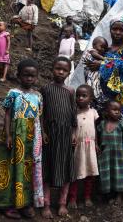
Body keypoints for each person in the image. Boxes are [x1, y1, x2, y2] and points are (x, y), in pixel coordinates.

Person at [0, 59, 44, 219]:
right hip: (14, 135)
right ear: (18, 76)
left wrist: (42, 136)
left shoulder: (38, 96)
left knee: (28, 169)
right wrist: (7, 135)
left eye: (32, 76)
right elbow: (7, 114)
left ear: (36, 77)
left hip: (32, 137)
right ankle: (6, 204)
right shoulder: (13, 93)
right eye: (25, 75)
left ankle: (23, 203)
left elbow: (39, 118)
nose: (29, 79)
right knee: (11, 168)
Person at [85, 17, 123, 168]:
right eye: (115, 29)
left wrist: (102, 63)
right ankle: (104, 166)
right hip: (105, 95)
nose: (118, 32)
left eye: (121, 29)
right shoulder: (105, 48)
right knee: (106, 127)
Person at [41, 57, 77, 219]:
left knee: (66, 167)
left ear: (69, 72)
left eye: (64, 70)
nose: (61, 72)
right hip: (50, 134)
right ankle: (46, 204)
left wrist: (74, 134)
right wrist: (42, 132)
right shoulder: (45, 89)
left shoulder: (70, 91)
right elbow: (41, 114)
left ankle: (62, 203)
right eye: (58, 68)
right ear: (52, 69)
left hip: (65, 135)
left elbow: (73, 114)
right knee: (47, 168)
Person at [97, 100, 123, 202]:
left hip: (118, 154)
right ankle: (106, 193)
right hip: (105, 153)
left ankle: (119, 194)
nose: (117, 112)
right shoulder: (102, 124)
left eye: (119, 110)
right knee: (105, 172)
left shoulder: (121, 124)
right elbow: (96, 135)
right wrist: (96, 145)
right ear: (106, 111)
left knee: (119, 172)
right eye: (114, 110)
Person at [68, 84, 99, 209]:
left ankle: (87, 197)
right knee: (76, 173)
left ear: (90, 99)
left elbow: (95, 129)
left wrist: (96, 143)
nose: (80, 98)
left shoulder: (93, 112)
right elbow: (72, 128)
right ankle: (72, 198)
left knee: (90, 174)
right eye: (78, 96)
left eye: (84, 96)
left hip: (90, 146)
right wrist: (71, 136)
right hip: (78, 147)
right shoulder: (74, 112)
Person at [82, 36, 108, 114]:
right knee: (92, 86)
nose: (103, 49)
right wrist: (104, 59)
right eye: (101, 46)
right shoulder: (91, 51)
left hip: (95, 76)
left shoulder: (98, 55)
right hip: (90, 75)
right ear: (94, 45)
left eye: (104, 48)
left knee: (97, 86)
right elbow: (94, 55)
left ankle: (98, 101)